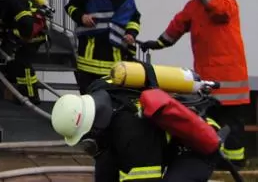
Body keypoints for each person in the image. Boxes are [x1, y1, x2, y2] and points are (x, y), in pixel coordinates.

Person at [141, 0, 249, 168]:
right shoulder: (193, 7)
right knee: (210, 122)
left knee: (232, 123)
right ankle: (215, 159)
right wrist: (157, 43)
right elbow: (176, 27)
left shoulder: (227, 1)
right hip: (207, 77)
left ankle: (235, 163)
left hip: (231, 78)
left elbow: (220, 11)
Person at [51, 77, 223, 182]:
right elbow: (105, 171)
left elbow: (145, 181)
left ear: (93, 128)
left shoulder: (133, 136)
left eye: (86, 139)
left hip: (194, 145)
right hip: (161, 142)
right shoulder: (100, 93)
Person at [65, 0, 142, 93]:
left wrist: (131, 34)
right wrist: (81, 17)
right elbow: (70, 7)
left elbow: (134, 17)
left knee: (112, 98)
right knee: (88, 99)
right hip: (88, 58)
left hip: (114, 57)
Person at [0, 0, 50, 103]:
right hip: (26, 34)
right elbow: (4, 25)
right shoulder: (3, 3)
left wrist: (12, 36)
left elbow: (26, 25)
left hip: (33, 36)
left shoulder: (11, 2)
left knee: (23, 63)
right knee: (17, 64)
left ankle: (32, 97)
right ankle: (22, 95)